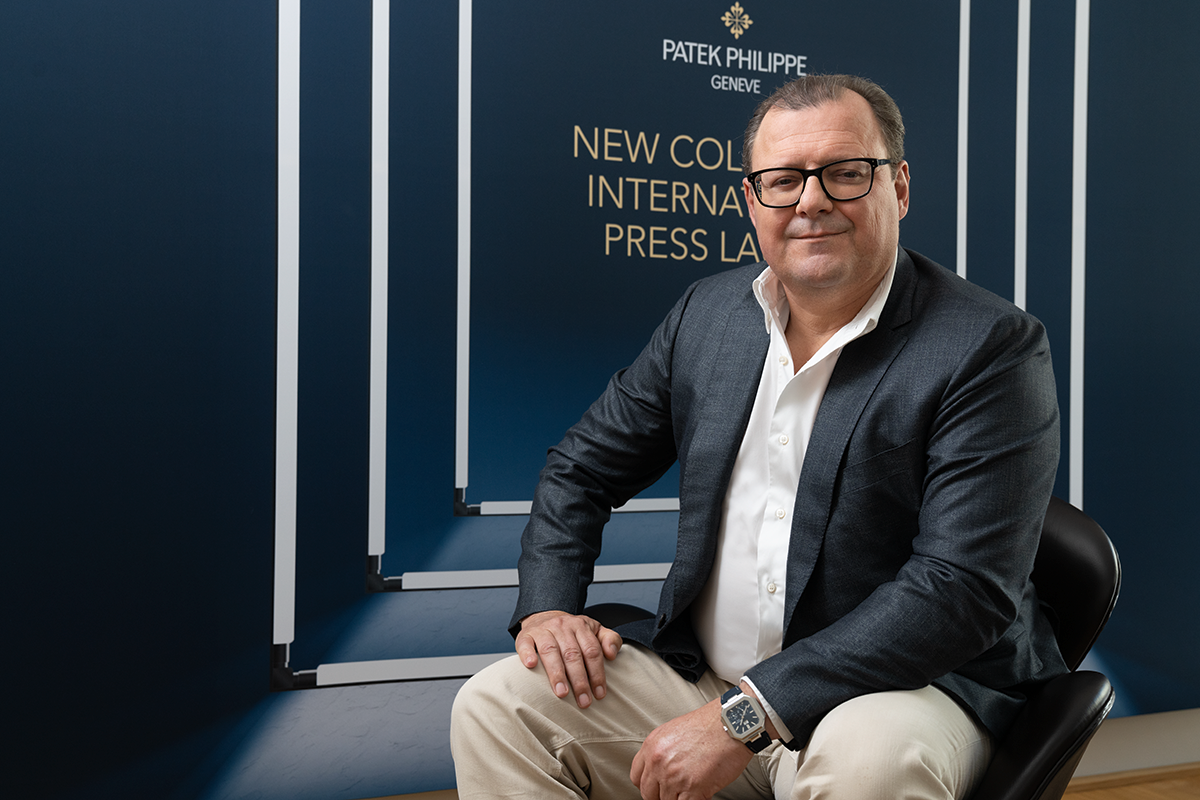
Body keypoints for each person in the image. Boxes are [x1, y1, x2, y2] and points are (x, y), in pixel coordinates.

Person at [450, 74, 1066, 800]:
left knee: (871, 766)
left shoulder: (990, 347)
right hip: (706, 682)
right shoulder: (707, 315)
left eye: (845, 173)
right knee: (497, 707)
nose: (811, 201)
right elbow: (580, 469)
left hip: (904, 691)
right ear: (752, 201)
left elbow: (960, 588)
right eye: (783, 180)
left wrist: (748, 714)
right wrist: (550, 605)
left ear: (898, 188)